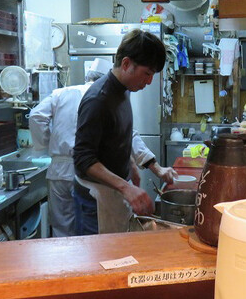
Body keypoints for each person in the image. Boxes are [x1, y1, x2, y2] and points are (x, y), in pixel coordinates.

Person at [29, 58, 166, 237]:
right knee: (89, 230)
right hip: (92, 169)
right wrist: (146, 164)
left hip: (60, 169)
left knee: (62, 229)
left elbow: (36, 116)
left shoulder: (61, 93)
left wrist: (47, 144)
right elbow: (129, 134)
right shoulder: (105, 97)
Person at [72, 29, 175, 235]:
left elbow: (122, 131)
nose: (149, 82)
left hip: (114, 191)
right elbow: (83, 159)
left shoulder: (122, 90)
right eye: (147, 74)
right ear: (126, 64)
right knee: (101, 253)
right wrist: (126, 187)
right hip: (96, 199)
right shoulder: (98, 99)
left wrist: (140, 165)